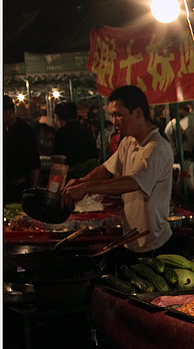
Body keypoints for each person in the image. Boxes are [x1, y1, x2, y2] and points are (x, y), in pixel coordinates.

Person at [61, 84, 174, 254]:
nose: (114, 122)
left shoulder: (156, 148)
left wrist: (86, 188)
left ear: (138, 113)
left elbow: (133, 181)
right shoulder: (128, 142)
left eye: (118, 115)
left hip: (153, 243)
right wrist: (81, 181)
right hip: (131, 238)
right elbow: (107, 169)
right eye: (112, 116)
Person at [3, 95, 40, 204]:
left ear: (9, 112)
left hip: (18, 189)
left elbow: (34, 164)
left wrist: (32, 189)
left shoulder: (25, 132)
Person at [51, 101, 99, 174]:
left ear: (59, 117)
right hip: (89, 175)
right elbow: (95, 156)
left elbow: (59, 163)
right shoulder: (87, 131)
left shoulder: (62, 133)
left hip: (70, 177)